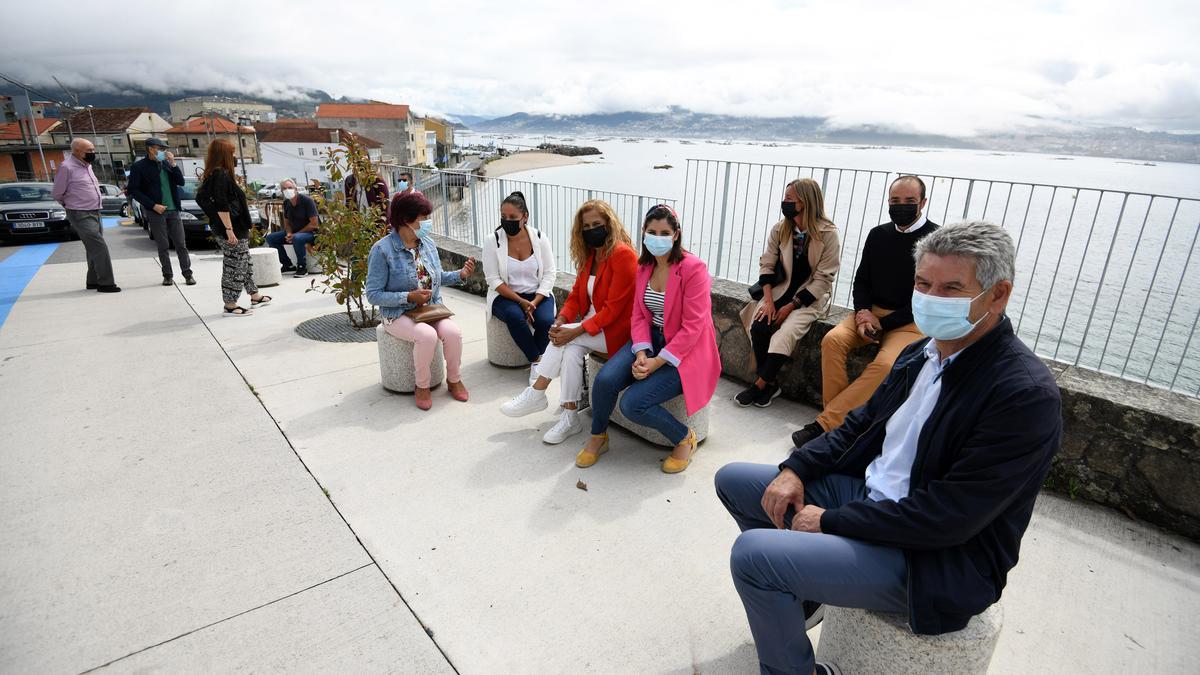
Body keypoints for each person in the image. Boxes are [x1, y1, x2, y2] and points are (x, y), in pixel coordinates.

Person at [715, 220, 1062, 675]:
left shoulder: (1022, 394)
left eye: (952, 288)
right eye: (923, 283)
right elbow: (858, 426)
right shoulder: (922, 354)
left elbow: (948, 517)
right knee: (736, 482)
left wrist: (832, 521)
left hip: (931, 557)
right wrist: (796, 468)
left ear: (997, 295)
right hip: (872, 499)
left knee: (754, 559)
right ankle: (804, 596)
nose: (931, 297)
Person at [792, 175, 939, 448]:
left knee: (886, 365)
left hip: (910, 321)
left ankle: (825, 424)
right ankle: (840, 423)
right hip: (869, 313)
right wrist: (862, 312)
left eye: (909, 201)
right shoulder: (878, 234)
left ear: (923, 202)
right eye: (895, 201)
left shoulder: (936, 241)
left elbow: (927, 297)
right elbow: (862, 280)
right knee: (832, 340)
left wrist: (884, 323)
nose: (901, 206)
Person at [582, 205, 721, 473]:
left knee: (632, 404)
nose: (658, 237)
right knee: (605, 381)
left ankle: (683, 437)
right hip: (651, 342)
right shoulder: (644, 266)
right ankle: (598, 436)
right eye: (652, 232)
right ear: (644, 233)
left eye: (664, 232)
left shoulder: (694, 269)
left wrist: (658, 362)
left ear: (676, 234)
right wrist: (643, 352)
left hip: (686, 351)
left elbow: (694, 326)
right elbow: (639, 316)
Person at [499, 199, 637, 445]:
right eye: (586, 226)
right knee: (570, 347)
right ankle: (570, 416)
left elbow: (613, 310)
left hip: (616, 331)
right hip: (590, 327)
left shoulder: (623, 255)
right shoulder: (591, 255)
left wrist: (574, 330)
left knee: (565, 340)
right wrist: (561, 320)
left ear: (609, 223)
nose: (591, 229)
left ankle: (537, 392)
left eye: (597, 223)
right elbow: (575, 296)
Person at [735, 178, 840, 407]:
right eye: (785, 198)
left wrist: (791, 306)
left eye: (790, 199)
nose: (785, 203)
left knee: (785, 333)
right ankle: (771, 384)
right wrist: (769, 302)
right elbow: (767, 265)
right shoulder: (781, 229)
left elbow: (824, 278)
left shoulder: (828, 234)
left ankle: (759, 385)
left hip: (808, 297)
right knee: (760, 325)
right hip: (779, 291)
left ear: (806, 201)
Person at [366, 192, 475, 411]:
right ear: (406, 220)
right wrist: (408, 297)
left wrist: (460, 275)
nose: (427, 223)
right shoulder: (381, 250)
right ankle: (422, 386)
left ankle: (454, 380)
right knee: (427, 335)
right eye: (423, 218)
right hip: (397, 314)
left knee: (453, 333)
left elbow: (437, 276)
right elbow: (373, 294)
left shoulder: (427, 244)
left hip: (430, 310)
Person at [483, 191, 557, 381]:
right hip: (506, 295)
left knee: (545, 321)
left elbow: (550, 273)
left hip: (538, 293)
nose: (507, 221)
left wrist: (535, 300)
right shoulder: (493, 241)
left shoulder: (540, 238)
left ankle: (539, 362)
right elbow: (493, 279)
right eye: (503, 216)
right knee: (515, 317)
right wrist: (521, 301)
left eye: (513, 217)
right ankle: (537, 360)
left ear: (525, 217)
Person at [197, 139, 272, 317]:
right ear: (224, 155)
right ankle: (230, 305)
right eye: (232, 153)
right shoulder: (220, 175)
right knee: (235, 266)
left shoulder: (216, 174)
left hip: (232, 228)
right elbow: (222, 204)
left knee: (244, 262)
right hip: (231, 230)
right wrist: (229, 229)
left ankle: (255, 295)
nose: (235, 156)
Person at [52, 138, 119, 293]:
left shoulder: (87, 166)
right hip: (79, 213)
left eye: (93, 150)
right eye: (89, 151)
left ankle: (93, 281)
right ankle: (106, 284)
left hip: (95, 211)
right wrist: (70, 205)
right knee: (99, 247)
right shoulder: (66, 167)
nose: (92, 153)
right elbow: (57, 193)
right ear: (76, 151)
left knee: (93, 248)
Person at [128, 137, 192, 286]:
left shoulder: (167, 165)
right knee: (163, 245)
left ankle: (188, 274)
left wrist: (173, 164)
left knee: (181, 244)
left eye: (165, 149)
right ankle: (168, 275)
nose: (164, 152)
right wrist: (152, 205)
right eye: (161, 149)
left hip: (173, 210)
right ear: (151, 149)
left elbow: (181, 182)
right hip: (156, 211)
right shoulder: (139, 167)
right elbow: (134, 190)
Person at [265, 179, 319, 277]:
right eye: (284, 188)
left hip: (311, 233)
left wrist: (295, 234)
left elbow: (314, 224)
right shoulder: (286, 203)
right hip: (295, 233)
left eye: (290, 188)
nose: (287, 190)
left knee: (297, 238)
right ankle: (287, 265)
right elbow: (287, 223)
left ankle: (302, 267)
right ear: (281, 191)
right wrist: (289, 233)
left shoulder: (307, 201)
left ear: (296, 189)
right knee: (271, 238)